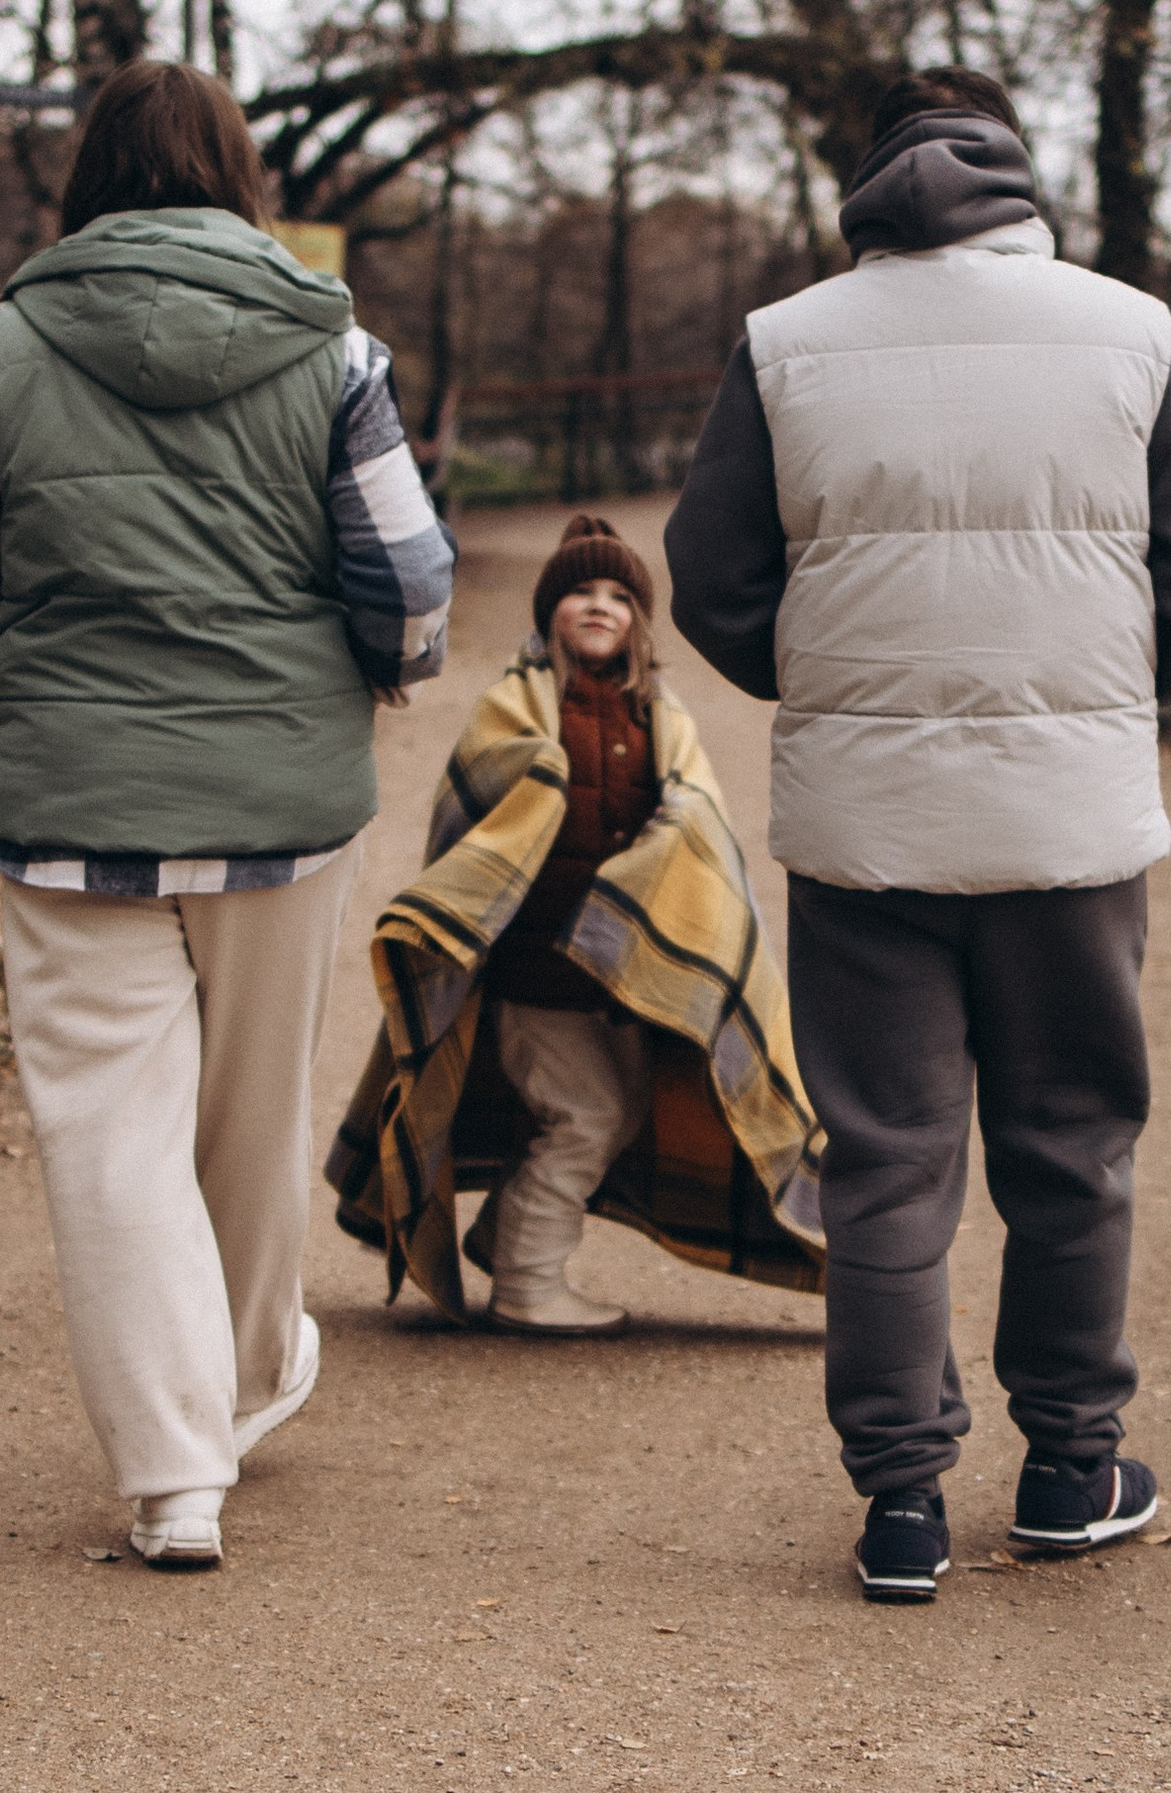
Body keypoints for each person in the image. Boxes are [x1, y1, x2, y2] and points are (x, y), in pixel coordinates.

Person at [664, 68, 1171, 1604]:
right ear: (1014, 165)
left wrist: (847, 688)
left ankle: (903, 1505)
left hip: (869, 836)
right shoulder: (1127, 329)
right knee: (1073, 1147)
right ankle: (1071, 1467)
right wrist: (1111, 694)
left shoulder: (786, 344)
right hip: (1074, 825)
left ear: (870, 177)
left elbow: (713, 573)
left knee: (887, 1162)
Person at [0, 59, 456, 1574]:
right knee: (249, 1116)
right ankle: (254, 1380)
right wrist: (387, 677)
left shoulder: (2, 351)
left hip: (74, 804)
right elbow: (407, 579)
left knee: (108, 1135)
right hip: (282, 799)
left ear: (86, 180)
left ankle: (172, 1478)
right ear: (238, 173)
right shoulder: (332, 348)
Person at [329, 511, 824, 1334]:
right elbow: (472, 827)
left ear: (638, 620)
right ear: (548, 612)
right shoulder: (512, 712)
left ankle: (508, 1232)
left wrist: (671, 842)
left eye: (617, 595)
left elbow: (700, 827)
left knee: (621, 1108)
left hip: (619, 969)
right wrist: (538, 784)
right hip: (534, 967)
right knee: (588, 1115)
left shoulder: (663, 721)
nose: (598, 606)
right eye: (579, 593)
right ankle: (526, 1280)